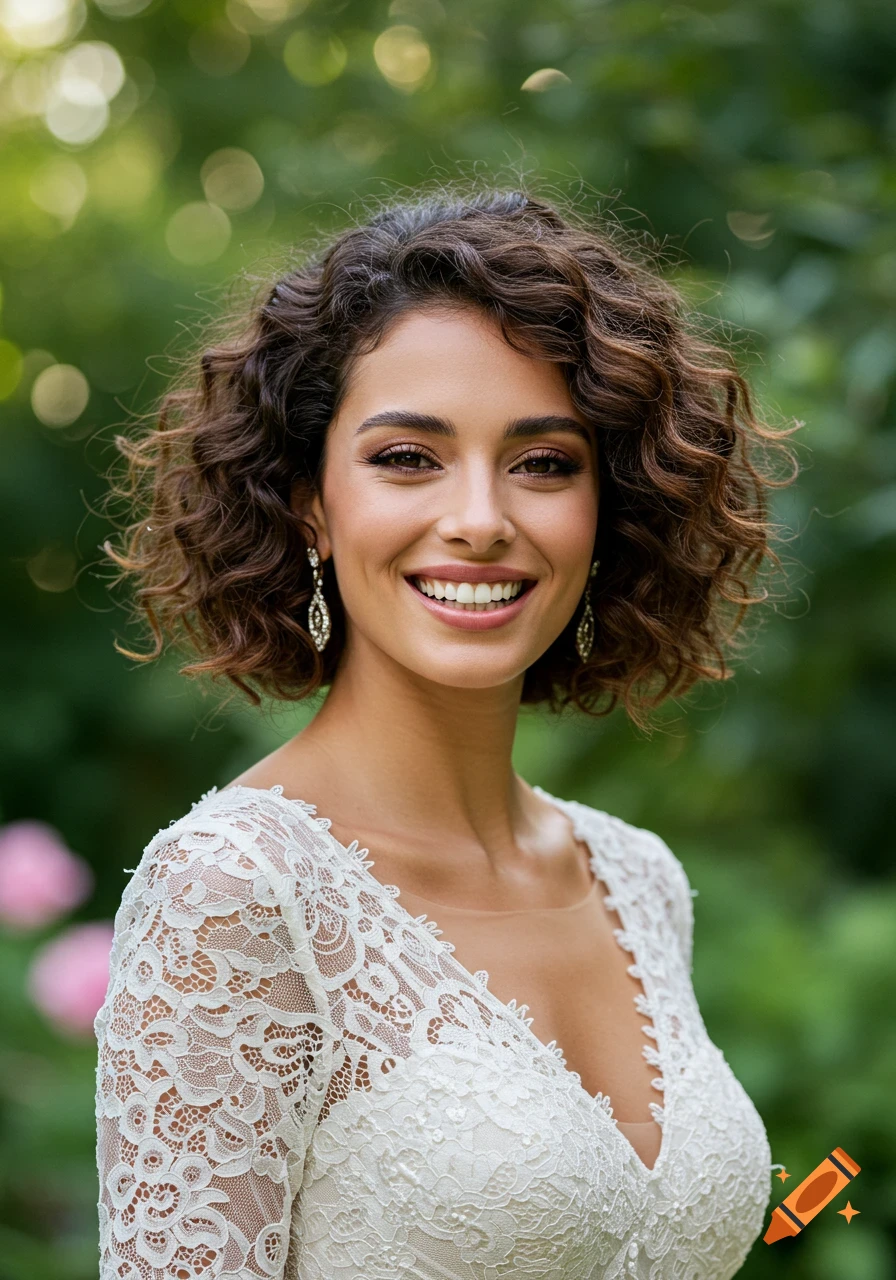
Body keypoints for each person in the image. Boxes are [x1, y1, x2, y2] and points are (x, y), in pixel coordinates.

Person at [94, 188, 799, 1279]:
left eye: (543, 462)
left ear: (608, 506)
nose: (479, 516)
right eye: (407, 458)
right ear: (311, 505)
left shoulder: (638, 879)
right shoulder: (236, 892)